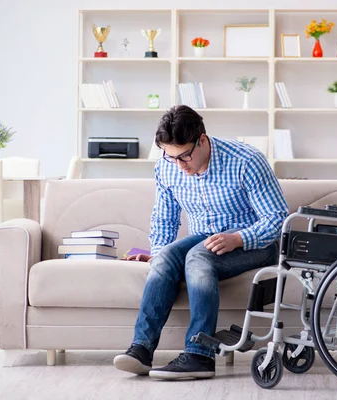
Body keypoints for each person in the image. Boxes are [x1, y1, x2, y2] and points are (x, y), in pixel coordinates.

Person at [113, 105, 288, 380]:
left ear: (202, 140)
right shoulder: (167, 167)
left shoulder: (246, 160)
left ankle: (199, 356)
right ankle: (142, 349)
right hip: (203, 240)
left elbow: (277, 218)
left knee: (197, 256)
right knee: (167, 256)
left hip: (255, 243)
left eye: (184, 156)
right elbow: (164, 220)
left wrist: (238, 238)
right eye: (172, 157)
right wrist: (159, 255)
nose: (180, 166)